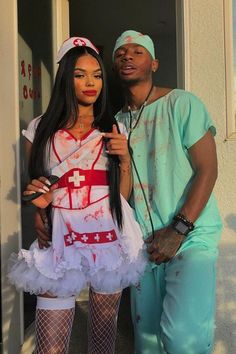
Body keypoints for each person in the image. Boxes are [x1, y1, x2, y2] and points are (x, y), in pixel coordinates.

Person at [8, 36, 146, 354]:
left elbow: (121, 198)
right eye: (80, 74)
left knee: (102, 341)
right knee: (50, 347)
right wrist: (38, 211)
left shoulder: (113, 128)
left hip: (107, 236)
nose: (90, 83)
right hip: (61, 236)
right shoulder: (40, 128)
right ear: (65, 77)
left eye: (97, 75)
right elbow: (37, 186)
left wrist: (124, 160)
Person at [112, 30, 222, 354]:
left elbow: (208, 169)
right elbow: (124, 192)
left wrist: (178, 229)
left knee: (181, 339)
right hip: (145, 246)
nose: (127, 56)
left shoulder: (182, 103)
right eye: (121, 53)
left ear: (154, 63)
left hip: (190, 237)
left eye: (137, 52)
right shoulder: (118, 122)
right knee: (147, 342)